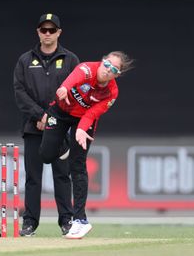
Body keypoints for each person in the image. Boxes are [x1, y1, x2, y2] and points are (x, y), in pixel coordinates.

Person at [39, 51, 134, 239]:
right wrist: (64, 88)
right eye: (107, 64)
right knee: (46, 155)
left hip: (83, 121)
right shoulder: (87, 69)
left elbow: (92, 114)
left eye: (113, 69)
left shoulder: (111, 92)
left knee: (78, 166)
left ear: (117, 75)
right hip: (60, 111)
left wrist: (82, 129)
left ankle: (80, 220)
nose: (108, 70)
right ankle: (64, 145)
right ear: (102, 62)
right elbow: (73, 78)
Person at [13, 13, 80, 237]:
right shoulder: (25, 60)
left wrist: (53, 119)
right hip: (34, 128)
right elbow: (20, 93)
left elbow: (77, 92)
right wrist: (39, 117)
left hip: (59, 129)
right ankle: (30, 222)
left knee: (62, 175)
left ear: (59, 32)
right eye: (44, 30)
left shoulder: (70, 60)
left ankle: (67, 221)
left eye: (52, 30)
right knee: (33, 177)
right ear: (38, 32)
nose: (48, 34)